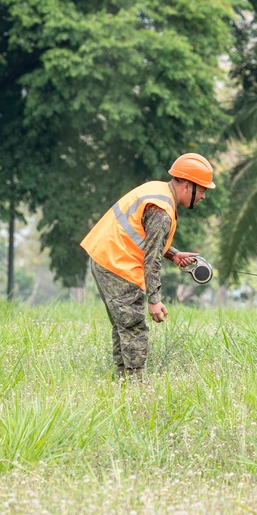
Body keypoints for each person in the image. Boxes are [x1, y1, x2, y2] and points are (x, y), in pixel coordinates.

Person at [80, 153, 215, 379]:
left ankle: (124, 383)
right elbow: (152, 259)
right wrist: (154, 300)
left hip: (106, 256)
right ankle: (136, 387)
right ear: (187, 185)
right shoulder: (162, 211)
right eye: (202, 189)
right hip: (117, 263)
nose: (203, 196)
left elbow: (143, 236)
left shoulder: (158, 190)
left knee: (124, 326)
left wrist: (173, 254)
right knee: (133, 327)